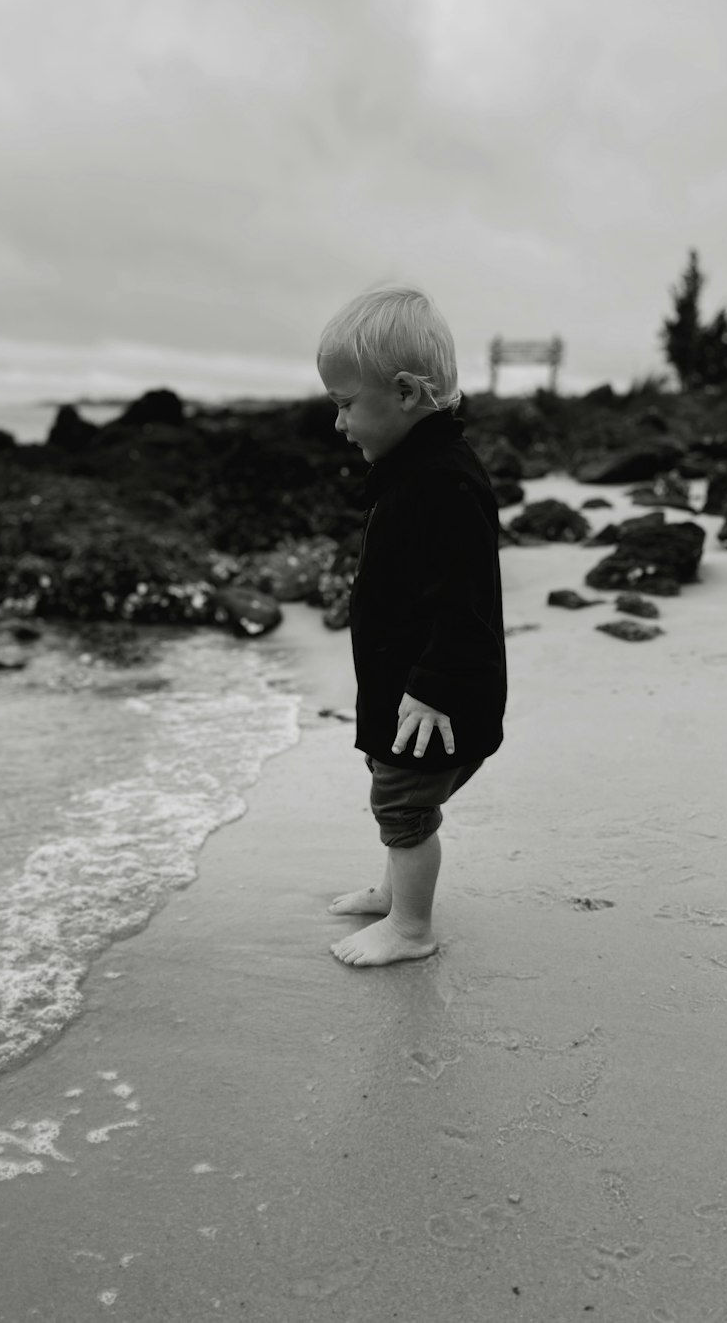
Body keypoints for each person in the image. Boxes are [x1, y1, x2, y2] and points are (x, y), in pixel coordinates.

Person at [316, 286, 506, 967]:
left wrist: (429, 685)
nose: (338, 423)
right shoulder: (413, 469)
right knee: (394, 787)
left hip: (439, 695)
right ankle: (396, 892)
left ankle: (413, 927)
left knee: (402, 803)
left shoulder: (443, 483)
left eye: (344, 404)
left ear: (403, 392)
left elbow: (466, 599)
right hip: (411, 683)